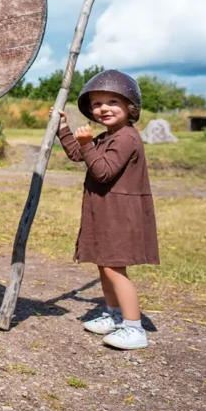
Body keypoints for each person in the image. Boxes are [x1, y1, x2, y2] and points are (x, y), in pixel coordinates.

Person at [55, 70, 159, 350]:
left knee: (115, 269)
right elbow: (79, 155)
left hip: (120, 215)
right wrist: (63, 129)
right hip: (106, 213)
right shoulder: (108, 136)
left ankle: (134, 327)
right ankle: (114, 316)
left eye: (113, 102)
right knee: (105, 266)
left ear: (130, 106)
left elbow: (103, 171)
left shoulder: (126, 138)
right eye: (98, 104)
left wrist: (88, 144)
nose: (104, 108)